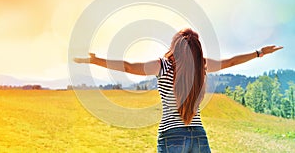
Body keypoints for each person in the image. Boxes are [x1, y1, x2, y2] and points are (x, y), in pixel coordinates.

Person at [74, 28, 283, 153]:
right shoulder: (202, 64)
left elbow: (128, 66)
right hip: (199, 135)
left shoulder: (163, 65)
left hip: (171, 136)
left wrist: (94, 60)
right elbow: (230, 61)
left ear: (175, 46)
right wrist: (258, 53)